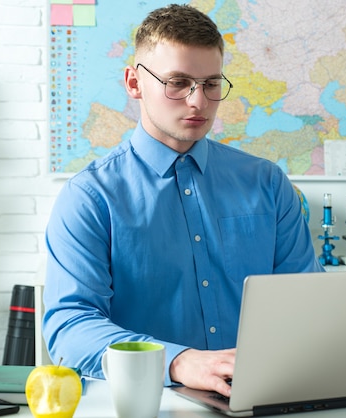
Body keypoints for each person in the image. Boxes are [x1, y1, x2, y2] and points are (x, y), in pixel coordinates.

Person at [43, 4, 324, 398]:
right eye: (178, 82)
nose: (198, 102)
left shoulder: (268, 183)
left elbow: (307, 302)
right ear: (134, 83)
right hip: (150, 403)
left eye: (211, 83)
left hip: (263, 396)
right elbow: (69, 328)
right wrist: (177, 361)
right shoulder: (90, 198)